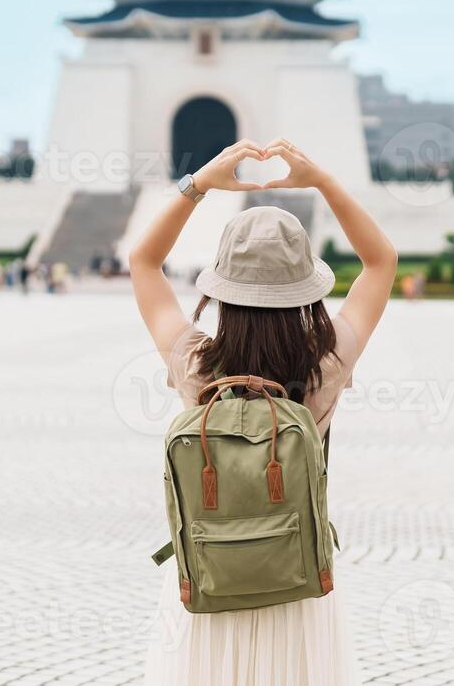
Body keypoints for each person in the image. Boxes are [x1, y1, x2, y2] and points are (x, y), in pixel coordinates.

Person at [130, 138, 395, 685]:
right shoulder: (324, 365)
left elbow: (143, 261)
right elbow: (381, 260)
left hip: (207, 577)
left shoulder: (197, 365)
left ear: (222, 291)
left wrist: (197, 184)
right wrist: (321, 178)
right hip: (295, 578)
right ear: (305, 292)